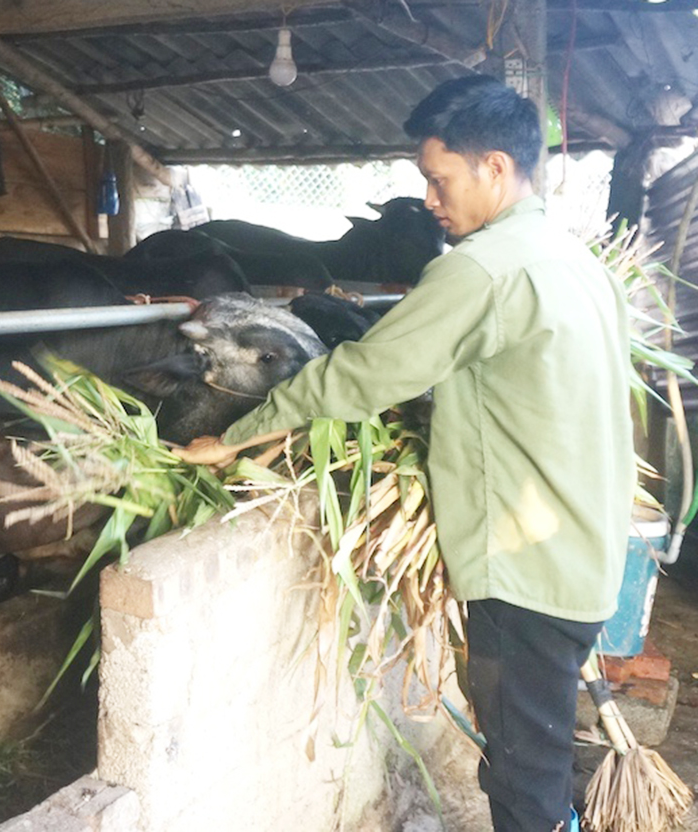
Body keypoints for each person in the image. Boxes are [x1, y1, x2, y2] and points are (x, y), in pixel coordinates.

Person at [175, 75, 634, 832]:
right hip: (580, 555)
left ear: (494, 168)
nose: (428, 199)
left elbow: (363, 375)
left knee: (522, 782)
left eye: (437, 177)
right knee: (540, 757)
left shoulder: (482, 269)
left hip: (525, 574)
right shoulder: (578, 262)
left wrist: (235, 435)